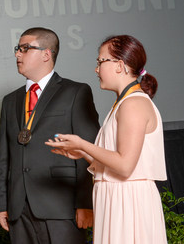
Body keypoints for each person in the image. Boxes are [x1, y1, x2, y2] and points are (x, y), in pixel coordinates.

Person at [46, 35, 167, 243]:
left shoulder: (133, 104)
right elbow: (114, 165)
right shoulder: (123, 103)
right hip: (117, 199)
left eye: (100, 62)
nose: (96, 69)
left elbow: (125, 166)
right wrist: (83, 152)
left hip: (129, 204)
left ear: (120, 65)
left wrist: (83, 143)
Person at [0, 27, 100, 243]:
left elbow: (88, 152)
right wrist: (3, 204)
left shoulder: (76, 92)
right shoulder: (9, 101)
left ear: (46, 54)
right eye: (18, 49)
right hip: (18, 209)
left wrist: (85, 202)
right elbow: (3, 158)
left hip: (62, 207)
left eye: (25, 49)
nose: (17, 54)